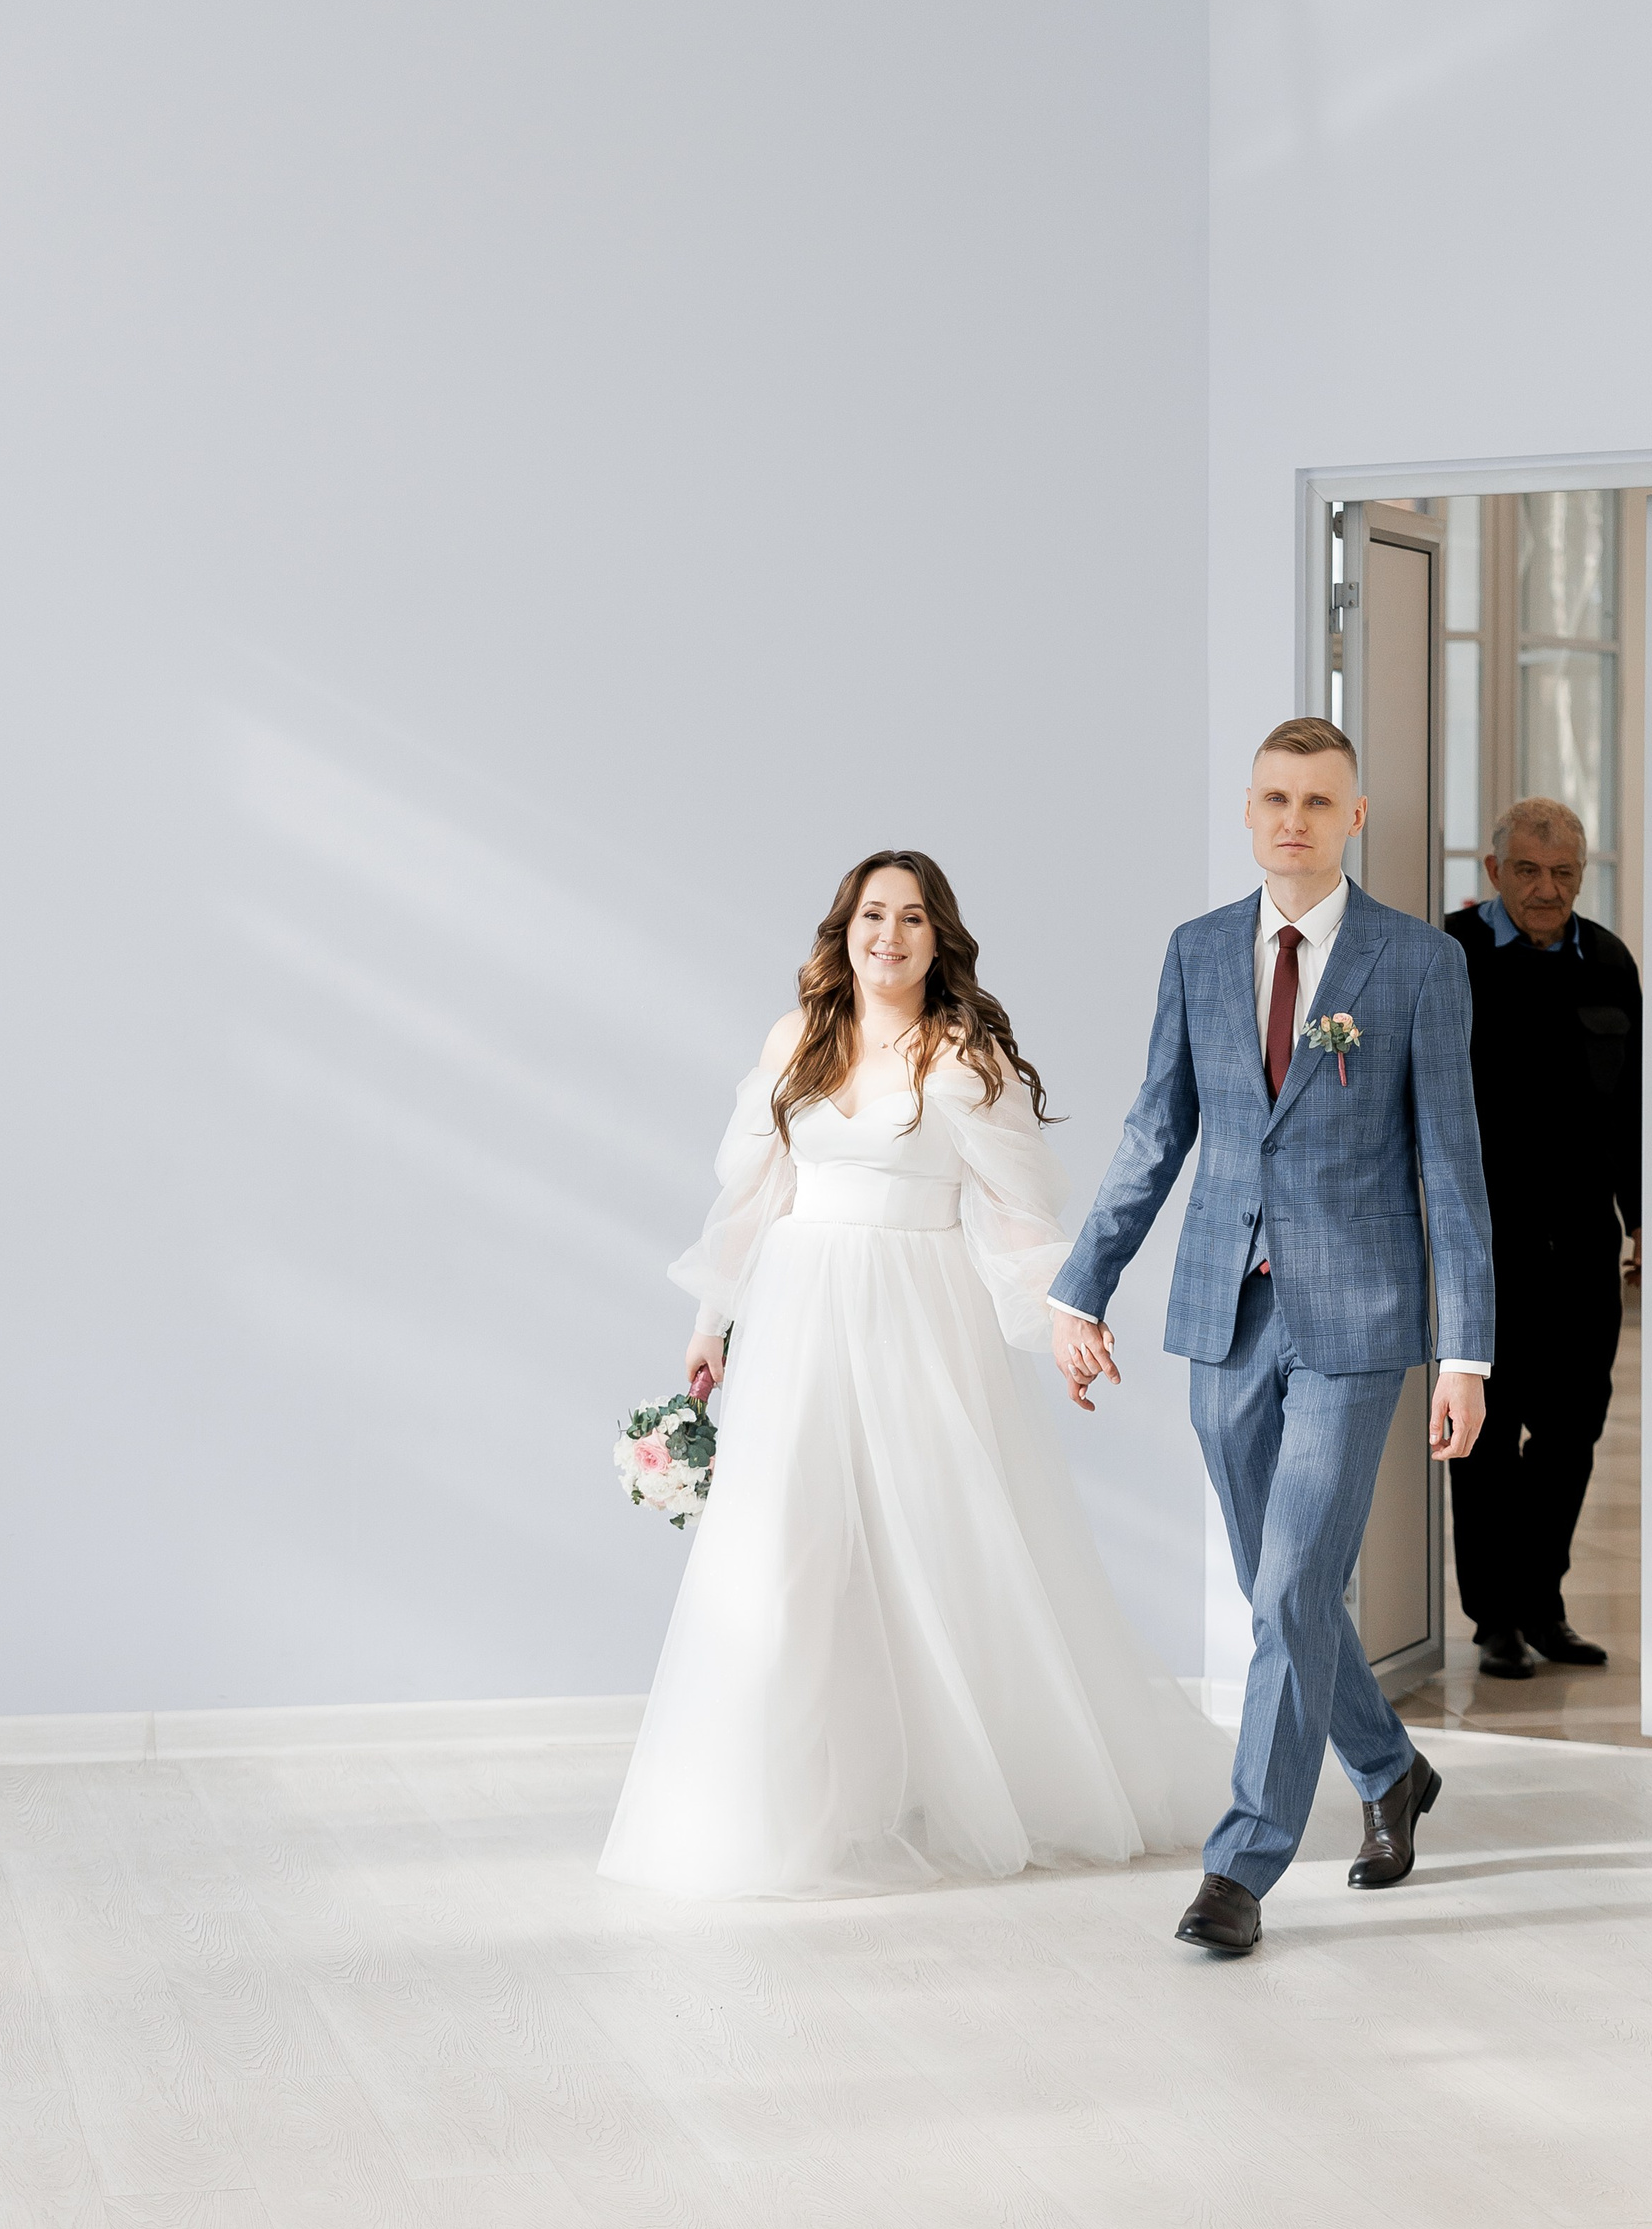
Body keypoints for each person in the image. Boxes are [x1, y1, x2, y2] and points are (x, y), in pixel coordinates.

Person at [599, 850, 1224, 1900]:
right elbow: (755, 1195)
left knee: (941, 1551)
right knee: (784, 1559)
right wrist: (713, 1321)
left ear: (940, 941)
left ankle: (975, 1782)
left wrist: (1066, 1315)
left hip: (918, 1320)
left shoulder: (961, 1051)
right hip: (799, 1318)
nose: (888, 935)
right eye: (872, 915)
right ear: (843, 929)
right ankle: (772, 1809)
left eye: (912, 918)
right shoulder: (795, 1039)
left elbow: (1017, 1213)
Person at [1048, 718, 1494, 1957]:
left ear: (1356, 817)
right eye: (1274, 798)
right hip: (1224, 1308)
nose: (1294, 819)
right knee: (1276, 1588)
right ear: (1249, 811)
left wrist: (1467, 1354)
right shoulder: (1198, 951)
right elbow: (1157, 1130)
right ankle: (1389, 1768)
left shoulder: (1417, 963)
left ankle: (1240, 1867)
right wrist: (1083, 1288)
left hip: (1359, 1320)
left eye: (1318, 800)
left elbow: (1453, 1166)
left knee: (1296, 1582)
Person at [1442, 800, 1642, 1681]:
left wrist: (1644, 1220)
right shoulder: (1449, 953)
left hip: (1584, 1245)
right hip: (1486, 1245)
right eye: (1528, 871)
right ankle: (1495, 1619)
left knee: (1573, 1428)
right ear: (1495, 872)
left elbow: (1634, 1108)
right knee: (1487, 1434)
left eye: (1563, 874)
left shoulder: (1609, 961)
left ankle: (1542, 1603)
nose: (1547, 890)